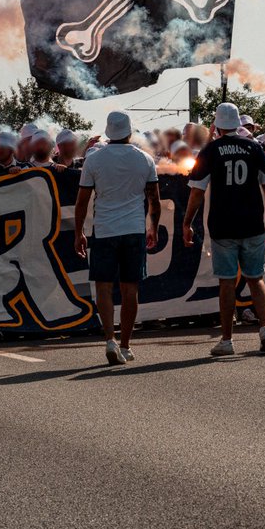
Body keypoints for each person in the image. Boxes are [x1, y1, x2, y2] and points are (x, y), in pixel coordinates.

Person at [182, 103, 265, 356]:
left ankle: (227, 339)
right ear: (237, 123)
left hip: (223, 224)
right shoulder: (254, 147)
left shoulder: (211, 150)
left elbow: (197, 190)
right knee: (255, 277)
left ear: (216, 126)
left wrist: (187, 222)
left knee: (226, 282)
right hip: (252, 222)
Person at [74, 111, 160, 364]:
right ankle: (125, 344)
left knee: (103, 285)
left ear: (108, 131)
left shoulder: (94, 160)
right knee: (130, 287)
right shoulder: (145, 160)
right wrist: (152, 227)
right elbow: (154, 200)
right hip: (133, 228)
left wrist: (79, 231)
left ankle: (110, 339)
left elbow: (82, 201)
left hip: (104, 229)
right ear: (129, 132)